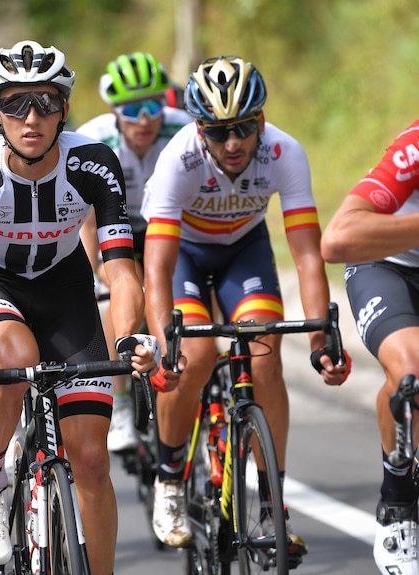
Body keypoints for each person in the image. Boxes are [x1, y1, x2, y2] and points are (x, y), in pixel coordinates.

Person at [0, 40, 156, 575]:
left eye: (45, 102)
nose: (31, 117)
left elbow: (122, 272)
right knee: (11, 354)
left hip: (66, 291)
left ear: (64, 109)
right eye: (15, 104)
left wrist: (129, 336)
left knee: (90, 460)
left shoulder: (93, 163)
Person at [140, 54, 351, 552]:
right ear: (199, 129)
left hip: (244, 249)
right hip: (185, 255)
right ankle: (169, 478)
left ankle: (271, 506)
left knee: (265, 355)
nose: (232, 143)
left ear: (260, 120)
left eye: (243, 128)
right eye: (217, 132)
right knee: (192, 358)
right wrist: (161, 344)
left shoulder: (284, 151)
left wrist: (321, 337)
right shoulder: (178, 160)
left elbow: (306, 255)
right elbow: (157, 269)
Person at [77, 51, 193, 454]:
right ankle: (121, 405)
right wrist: (91, 274)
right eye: (132, 109)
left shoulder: (184, 130)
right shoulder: (95, 140)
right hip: (115, 231)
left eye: (153, 105)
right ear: (113, 110)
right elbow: (87, 221)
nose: (144, 119)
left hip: (170, 229)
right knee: (119, 301)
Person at [320, 119, 419, 575]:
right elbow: (338, 239)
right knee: (412, 373)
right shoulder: (415, 145)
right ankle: (398, 503)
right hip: (386, 266)